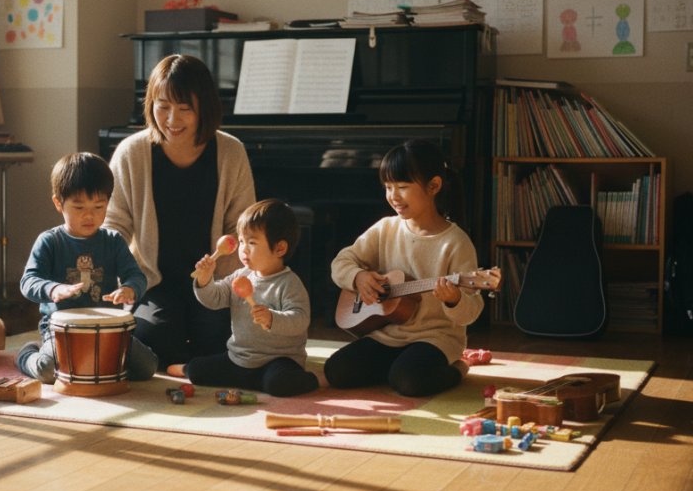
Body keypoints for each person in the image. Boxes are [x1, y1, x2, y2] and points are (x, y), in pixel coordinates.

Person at [104, 54, 257, 369]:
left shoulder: (231, 152)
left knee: (218, 339)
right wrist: (122, 280)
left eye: (185, 109)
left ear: (205, 109)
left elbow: (243, 228)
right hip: (155, 283)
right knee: (156, 340)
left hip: (213, 283)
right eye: (163, 106)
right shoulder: (132, 153)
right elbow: (115, 225)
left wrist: (216, 279)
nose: (172, 120)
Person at [327, 139, 484, 397]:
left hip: (436, 338)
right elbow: (341, 262)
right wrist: (358, 277)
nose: (393, 196)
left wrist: (455, 299)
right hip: (388, 333)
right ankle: (398, 367)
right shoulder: (385, 228)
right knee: (337, 371)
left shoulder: (456, 242)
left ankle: (458, 367)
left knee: (409, 382)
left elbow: (472, 310)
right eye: (388, 187)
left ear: (434, 186)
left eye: (402, 186)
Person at [17, 152, 158, 383]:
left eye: (99, 206)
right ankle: (27, 354)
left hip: (107, 329)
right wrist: (53, 289)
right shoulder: (50, 241)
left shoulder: (113, 241)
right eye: (79, 207)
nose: (89, 215)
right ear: (58, 203)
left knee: (147, 367)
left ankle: (99, 364)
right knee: (46, 371)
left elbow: (136, 275)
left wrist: (130, 289)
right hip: (61, 330)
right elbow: (28, 281)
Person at [171, 199, 318, 397]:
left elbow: (300, 320)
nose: (244, 249)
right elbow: (214, 299)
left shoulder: (289, 283)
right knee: (198, 371)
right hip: (240, 359)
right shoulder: (240, 276)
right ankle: (188, 368)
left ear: (280, 248)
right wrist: (205, 280)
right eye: (241, 241)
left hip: (277, 360)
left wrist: (272, 317)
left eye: (252, 242)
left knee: (279, 384)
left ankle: (314, 379)